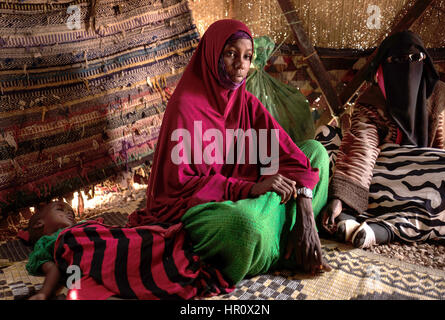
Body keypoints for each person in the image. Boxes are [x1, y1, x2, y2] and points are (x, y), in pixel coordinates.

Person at [127, 19, 331, 285]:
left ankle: (287, 231)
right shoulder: (186, 106)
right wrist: (250, 190)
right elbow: (181, 187)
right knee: (244, 226)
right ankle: (277, 232)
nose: (241, 65)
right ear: (212, 55)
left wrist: (306, 216)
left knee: (316, 153)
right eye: (231, 54)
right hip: (204, 207)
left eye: (247, 57)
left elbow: (289, 156)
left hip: (252, 192)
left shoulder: (245, 102)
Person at [320, 30, 445, 248]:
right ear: (383, 67)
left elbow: (441, 156)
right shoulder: (373, 101)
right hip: (383, 178)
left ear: (425, 62)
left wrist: (423, 166)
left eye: (415, 59)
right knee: (325, 137)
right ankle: (350, 212)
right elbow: (362, 148)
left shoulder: (443, 98)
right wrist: (339, 198)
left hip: (427, 188)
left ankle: (385, 229)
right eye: (398, 60)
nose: (408, 66)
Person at [25, 201, 232, 300]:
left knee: (138, 244)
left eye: (71, 212)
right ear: (38, 224)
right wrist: (44, 293)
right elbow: (53, 269)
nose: (70, 214)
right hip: (75, 257)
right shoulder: (47, 242)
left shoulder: (86, 225)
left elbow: (114, 236)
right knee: (77, 291)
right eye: (61, 210)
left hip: (103, 246)